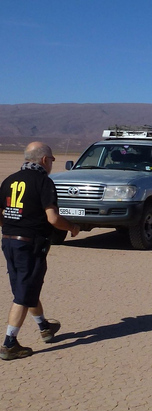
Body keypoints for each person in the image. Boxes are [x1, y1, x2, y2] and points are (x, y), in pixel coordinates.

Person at [0, 142, 81, 360]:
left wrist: (13, 226)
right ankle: (9, 343)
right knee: (23, 294)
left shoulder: (9, 180)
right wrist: (72, 227)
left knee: (27, 286)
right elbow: (53, 218)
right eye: (52, 160)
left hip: (9, 241)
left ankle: (44, 326)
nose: (52, 164)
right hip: (30, 243)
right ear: (45, 160)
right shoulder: (43, 182)